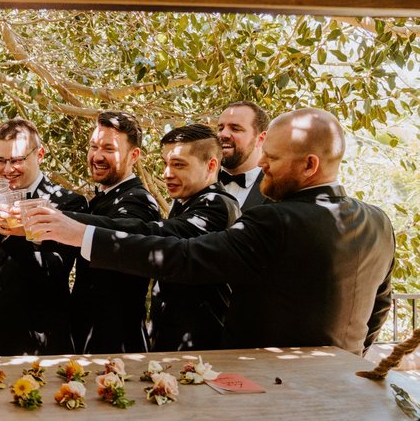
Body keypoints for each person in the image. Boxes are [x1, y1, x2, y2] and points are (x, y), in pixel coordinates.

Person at [27, 108, 396, 355]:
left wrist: (80, 234)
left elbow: (185, 257)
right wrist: (352, 357)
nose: (262, 163)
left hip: (268, 381)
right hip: (340, 380)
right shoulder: (379, 223)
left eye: (274, 158)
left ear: (310, 164)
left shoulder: (274, 221)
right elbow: (379, 306)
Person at [58, 124, 240, 351]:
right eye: (165, 163)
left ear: (211, 165)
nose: (167, 173)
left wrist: (70, 225)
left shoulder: (217, 205)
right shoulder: (187, 202)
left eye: (179, 165)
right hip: (170, 343)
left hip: (202, 348)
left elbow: (154, 235)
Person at [0, 119, 86, 355]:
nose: (8, 169)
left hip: (40, 343)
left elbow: (57, 270)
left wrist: (16, 235)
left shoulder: (69, 203)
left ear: (39, 154)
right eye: (0, 160)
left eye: (17, 160)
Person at [68, 111, 161, 354]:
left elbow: (118, 243)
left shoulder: (138, 201)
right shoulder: (105, 196)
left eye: (108, 149)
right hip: (87, 337)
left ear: (134, 155)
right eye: (93, 146)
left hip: (115, 343)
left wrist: (56, 220)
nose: (97, 156)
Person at [217, 101, 270, 210]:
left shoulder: (279, 187)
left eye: (235, 128)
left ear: (261, 139)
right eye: (220, 128)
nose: (223, 134)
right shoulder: (199, 180)